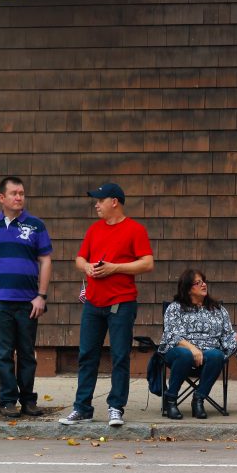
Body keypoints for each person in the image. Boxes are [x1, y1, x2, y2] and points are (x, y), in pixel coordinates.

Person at [59, 182, 154, 427]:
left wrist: (115, 268)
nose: (96, 204)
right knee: (87, 355)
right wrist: (87, 267)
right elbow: (80, 258)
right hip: (93, 301)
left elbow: (147, 263)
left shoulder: (135, 229)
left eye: (100, 200)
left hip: (121, 302)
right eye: (96, 200)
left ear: (115, 202)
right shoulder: (94, 230)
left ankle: (115, 407)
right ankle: (82, 408)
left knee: (120, 355)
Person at [0, 176, 52, 418]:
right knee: (3, 352)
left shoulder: (36, 225)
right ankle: (8, 400)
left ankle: (28, 400)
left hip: (29, 301)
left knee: (27, 352)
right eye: (14, 193)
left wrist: (41, 295)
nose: (19, 197)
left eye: (22, 193)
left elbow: (45, 259)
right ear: (2, 198)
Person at [159, 268, 237, 420]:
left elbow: (225, 338)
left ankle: (199, 399)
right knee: (184, 355)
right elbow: (171, 334)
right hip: (179, 352)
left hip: (208, 355)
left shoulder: (217, 309)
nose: (204, 285)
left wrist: (235, 340)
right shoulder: (175, 308)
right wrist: (193, 349)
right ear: (188, 288)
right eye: (198, 283)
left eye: (203, 281)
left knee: (217, 355)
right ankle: (170, 400)